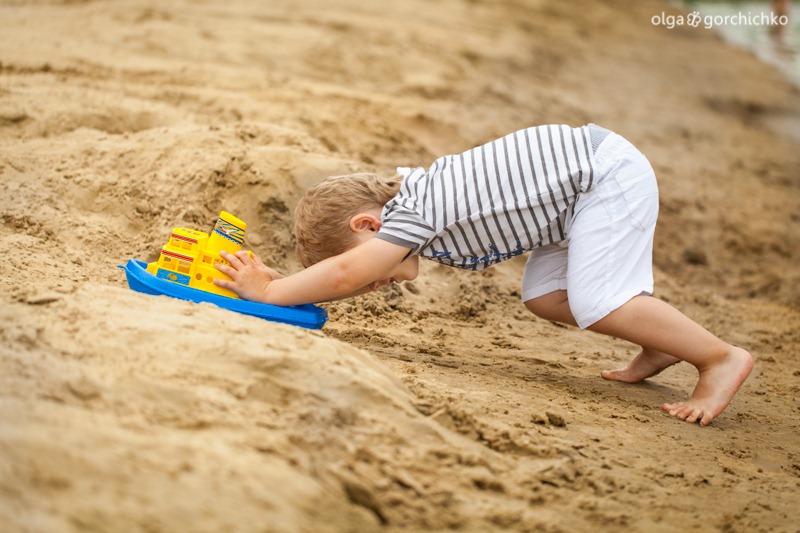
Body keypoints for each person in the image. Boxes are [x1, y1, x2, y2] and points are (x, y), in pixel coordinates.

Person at [213, 124, 754, 427]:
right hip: (570, 203)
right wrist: (288, 287)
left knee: (594, 298)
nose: (372, 284)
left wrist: (272, 291)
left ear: (369, 223)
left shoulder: (412, 210)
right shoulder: (415, 207)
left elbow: (346, 273)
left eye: (368, 272)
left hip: (601, 179)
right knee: (546, 296)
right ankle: (660, 343)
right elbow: (349, 269)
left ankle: (718, 357)